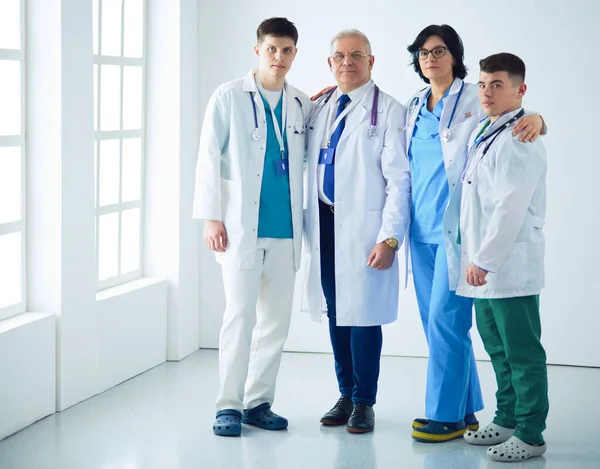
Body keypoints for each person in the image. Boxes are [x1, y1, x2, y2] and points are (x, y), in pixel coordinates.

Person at [404, 24, 546, 442]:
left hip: (458, 234)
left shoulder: (475, 97)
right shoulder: (413, 104)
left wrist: (539, 118)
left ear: (455, 55)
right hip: (419, 230)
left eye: (440, 50)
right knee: (439, 328)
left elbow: (516, 121)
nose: (431, 58)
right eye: (424, 52)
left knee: (448, 323)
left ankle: (445, 414)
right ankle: (465, 408)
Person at [192, 17, 311, 437]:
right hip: (241, 229)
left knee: (275, 325)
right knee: (239, 319)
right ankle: (228, 405)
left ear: (295, 54)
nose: (280, 57)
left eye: (288, 50)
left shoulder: (300, 103)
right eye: (272, 48)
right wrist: (211, 217)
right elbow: (208, 158)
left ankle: (260, 402)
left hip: (285, 232)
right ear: (258, 50)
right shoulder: (228, 96)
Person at [303, 29, 410, 434]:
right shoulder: (321, 106)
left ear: (371, 61)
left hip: (367, 229)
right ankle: (345, 393)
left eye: (356, 55)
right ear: (330, 63)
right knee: (336, 311)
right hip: (326, 223)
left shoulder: (390, 111)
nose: (347, 62)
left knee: (363, 315)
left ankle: (364, 401)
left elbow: (400, 181)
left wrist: (390, 238)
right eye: (340, 56)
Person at [457, 52, 548, 463]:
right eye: (482, 84)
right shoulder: (487, 129)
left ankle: (530, 433)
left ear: (519, 89)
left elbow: (509, 209)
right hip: (484, 266)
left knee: (522, 352)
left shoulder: (520, 138)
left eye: (497, 84)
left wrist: (485, 260)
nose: (487, 92)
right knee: (497, 347)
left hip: (506, 267)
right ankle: (508, 417)